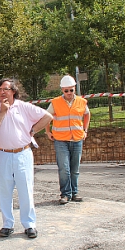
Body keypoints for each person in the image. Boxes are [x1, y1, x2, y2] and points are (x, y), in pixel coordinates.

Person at [0, 78, 52, 240]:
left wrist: (33, 129)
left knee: (26, 190)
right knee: (4, 190)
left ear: (13, 91)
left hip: (23, 154)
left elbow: (48, 116)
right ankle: (8, 224)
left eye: (5, 89)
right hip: (2, 154)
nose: (2, 92)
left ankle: (29, 224)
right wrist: (3, 111)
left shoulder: (24, 107)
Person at [45, 75, 90, 205]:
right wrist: (48, 131)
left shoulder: (82, 102)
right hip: (61, 140)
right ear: (62, 90)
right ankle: (65, 194)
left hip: (77, 139)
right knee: (64, 168)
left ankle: (74, 192)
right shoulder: (55, 102)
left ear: (74, 89)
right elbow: (46, 116)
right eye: (66, 91)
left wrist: (85, 130)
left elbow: (87, 114)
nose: (69, 93)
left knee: (75, 169)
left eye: (71, 90)